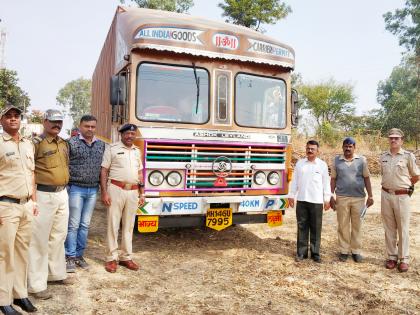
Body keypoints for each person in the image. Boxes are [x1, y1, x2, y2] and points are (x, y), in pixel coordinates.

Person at [28, 109, 72, 300]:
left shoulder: (63, 143)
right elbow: (29, 169)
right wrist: (32, 198)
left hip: (62, 193)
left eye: (60, 122)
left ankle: (55, 274)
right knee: (38, 240)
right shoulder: (35, 143)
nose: (57, 125)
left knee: (59, 235)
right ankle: (36, 285)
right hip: (43, 194)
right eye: (53, 121)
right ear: (45, 122)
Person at [0, 104, 38, 314]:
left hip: (26, 206)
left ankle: (20, 294)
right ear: (1, 121)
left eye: (16, 116)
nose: (13, 119)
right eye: (8, 116)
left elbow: (32, 174)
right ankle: (3, 299)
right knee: (4, 254)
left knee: (22, 252)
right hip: (5, 205)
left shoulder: (27, 144)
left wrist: (34, 200)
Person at [100, 124, 145, 273]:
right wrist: (104, 192)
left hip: (133, 191)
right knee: (113, 225)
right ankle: (111, 258)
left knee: (129, 225)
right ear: (121, 135)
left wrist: (142, 192)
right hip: (116, 189)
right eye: (127, 133)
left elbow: (140, 174)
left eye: (133, 133)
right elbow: (104, 171)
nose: (130, 136)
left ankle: (126, 257)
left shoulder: (137, 151)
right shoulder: (112, 149)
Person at [65, 115, 105, 272]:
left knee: (85, 225)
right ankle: (69, 256)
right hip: (75, 189)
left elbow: (104, 169)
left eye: (93, 127)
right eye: (87, 126)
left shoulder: (101, 145)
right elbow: (65, 164)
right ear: (80, 126)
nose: (90, 129)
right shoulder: (71, 143)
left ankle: (79, 256)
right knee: (73, 225)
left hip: (92, 190)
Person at [380, 128, 419, 272]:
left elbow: (416, 175)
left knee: (403, 227)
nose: (393, 140)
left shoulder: (408, 156)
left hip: (402, 196)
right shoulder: (383, 156)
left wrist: (408, 186)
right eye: (391, 138)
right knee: (389, 227)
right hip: (386, 195)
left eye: (396, 138)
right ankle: (391, 257)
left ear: (402, 140)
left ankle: (404, 258)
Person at [330, 137, 374, 263]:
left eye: (350, 146)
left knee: (357, 225)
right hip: (342, 197)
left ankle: (356, 251)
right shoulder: (337, 161)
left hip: (359, 198)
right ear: (342, 147)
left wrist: (370, 195)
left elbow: (366, 178)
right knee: (343, 224)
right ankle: (344, 250)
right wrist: (330, 195)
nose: (348, 148)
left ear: (354, 148)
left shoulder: (361, 160)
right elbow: (333, 179)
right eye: (346, 146)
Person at [288, 140, 331, 263]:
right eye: (308, 148)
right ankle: (301, 253)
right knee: (302, 227)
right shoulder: (300, 164)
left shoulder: (322, 165)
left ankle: (315, 253)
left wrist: (327, 199)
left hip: (316, 201)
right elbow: (295, 181)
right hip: (302, 200)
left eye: (312, 149)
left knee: (316, 228)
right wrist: (291, 195)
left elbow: (326, 184)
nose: (310, 150)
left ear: (318, 151)